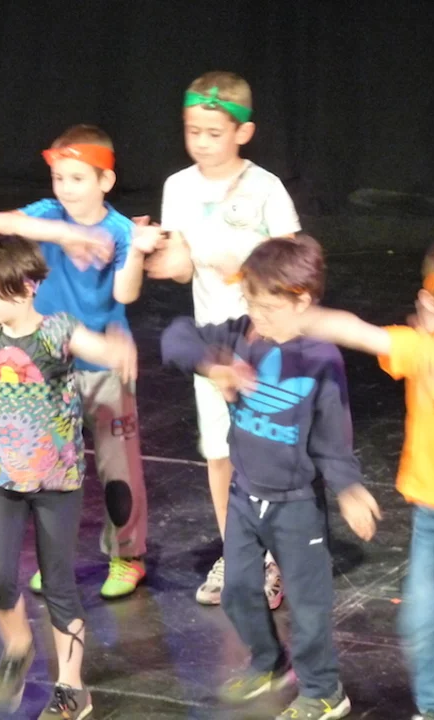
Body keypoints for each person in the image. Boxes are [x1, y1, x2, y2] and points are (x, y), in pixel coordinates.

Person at [0, 214, 138, 719]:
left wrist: (119, 350)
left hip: (55, 481)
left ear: (25, 288)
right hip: (5, 478)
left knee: (58, 583)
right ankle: (18, 645)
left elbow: (101, 350)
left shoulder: (57, 331)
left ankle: (72, 690)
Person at [162, 235, 380, 720]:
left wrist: (348, 488)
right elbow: (176, 335)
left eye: (268, 307)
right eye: (251, 303)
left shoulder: (321, 358)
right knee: (238, 590)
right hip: (245, 495)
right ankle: (268, 662)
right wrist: (213, 364)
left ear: (301, 301)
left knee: (308, 603)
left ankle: (324, 690)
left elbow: (333, 437)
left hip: (295, 504)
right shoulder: (241, 334)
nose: (256, 316)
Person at [292, 237, 434, 720]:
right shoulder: (421, 349)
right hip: (433, 519)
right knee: (418, 626)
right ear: (432, 304)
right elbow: (358, 331)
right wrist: (299, 315)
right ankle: (433, 709)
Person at [146, 71, 302, 608]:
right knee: (219, 451)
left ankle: (274, 556)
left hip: (265, 338)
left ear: (243, 132)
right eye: (193, 131)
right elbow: (181, 267)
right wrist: (154, 253)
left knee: (265, 453)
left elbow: (292, 260)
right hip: (214, 340)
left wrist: (246, 263)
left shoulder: (265, 187)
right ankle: (238, 552)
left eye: (214, 133)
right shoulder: (178, 187)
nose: (203, 143)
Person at [0, 124, 154, 599]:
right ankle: (55, 559)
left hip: (103, 365)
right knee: (50, 470)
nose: (66, 188)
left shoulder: (120, 230)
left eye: (77, 178)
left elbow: (126, 292)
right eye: (59, 178)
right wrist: (63, 233)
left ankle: (127, 555)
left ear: (105, 180)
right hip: (51, 367)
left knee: (117, 468)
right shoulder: (50, 214)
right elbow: (3, 222)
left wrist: (136, 252)